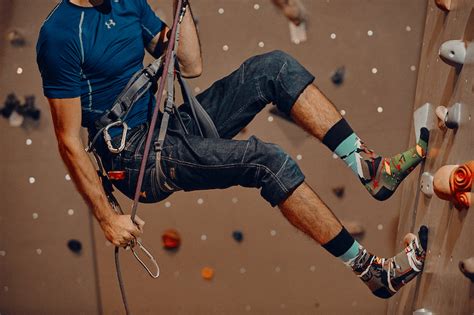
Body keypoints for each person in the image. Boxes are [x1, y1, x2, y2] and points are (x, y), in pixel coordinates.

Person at [36, 0, 429, 299]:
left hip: (169, 125)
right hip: (134, 157)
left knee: (273, 68)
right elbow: (69, 140)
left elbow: (190, 65)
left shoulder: (128, 3)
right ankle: (372, 272)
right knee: (265, 159)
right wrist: (107, 220)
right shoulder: (61, 35)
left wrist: (181, 6)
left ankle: (370, 169)